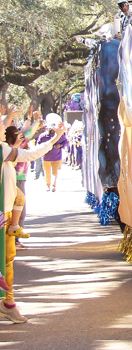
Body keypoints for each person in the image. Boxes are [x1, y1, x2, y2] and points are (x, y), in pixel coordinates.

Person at [1, 114, 65, 324]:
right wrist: (53, 140)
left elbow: (30, 152)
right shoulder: (3, 150)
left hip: (6, 215)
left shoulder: (4, 149)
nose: (4, 128)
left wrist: (54, 140)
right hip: (3, 215)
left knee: (7, 262)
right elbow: (30, 154)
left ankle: (7, 303)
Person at [34, 114, 66, 192]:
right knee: (47, 172)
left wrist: (60, 145)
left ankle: (53, 185)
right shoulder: (43, 136)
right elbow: (38, 144)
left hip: (57, 157)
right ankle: (47, 185)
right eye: (50, 128)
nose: (52, 130)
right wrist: (41, 151)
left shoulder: (60, 135)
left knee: (55, 172)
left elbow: (66, 142)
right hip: (46, 158)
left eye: (53, 128)